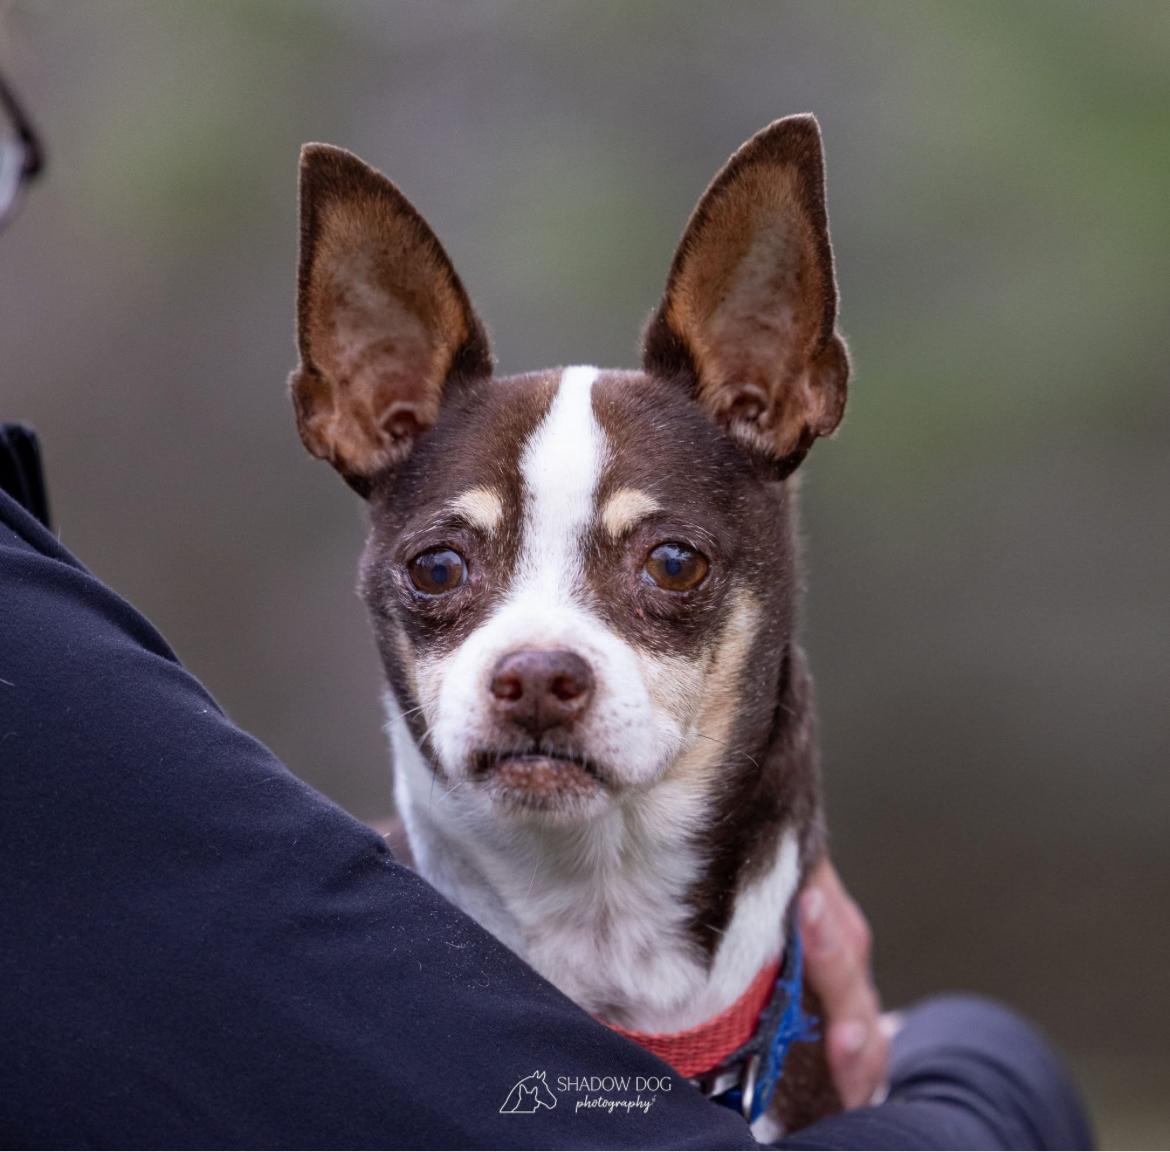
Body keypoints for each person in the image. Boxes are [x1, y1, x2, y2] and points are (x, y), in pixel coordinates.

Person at [0, 69, 1091, 1149]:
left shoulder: (837, 1053)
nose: (537, 661)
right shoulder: (324, 1008)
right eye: (445, 575)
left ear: (780, 390)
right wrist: (987, 1071)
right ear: (360, 407)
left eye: (667, 568)